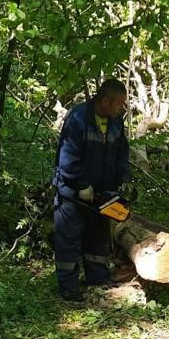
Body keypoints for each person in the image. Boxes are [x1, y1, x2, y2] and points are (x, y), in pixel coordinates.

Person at [52, 78, 130, 301]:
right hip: (73, 194)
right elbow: (68, 158)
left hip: (103, 193)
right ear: (105, 101)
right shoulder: (78, 119)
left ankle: (97, 278)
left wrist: (123, 179)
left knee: (98, 237)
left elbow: (122, 152)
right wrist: (81, 184)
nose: (121, 108)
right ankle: (69, 288)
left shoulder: (116, 123)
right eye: (119, 103)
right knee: (70, 239)